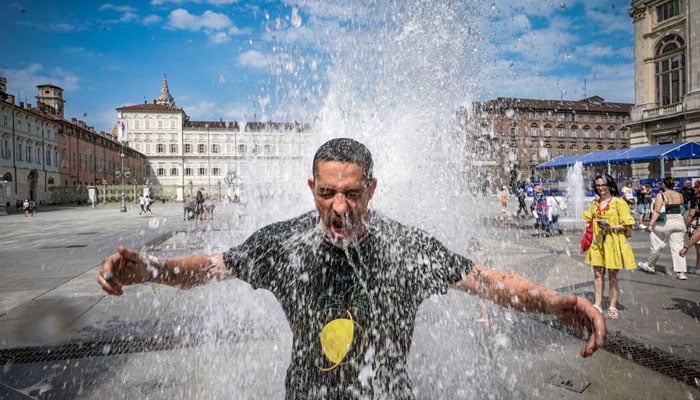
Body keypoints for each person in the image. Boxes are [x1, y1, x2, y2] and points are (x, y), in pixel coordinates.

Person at [97, 138, 605, 399]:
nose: (340, 207)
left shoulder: (404, 247)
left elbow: (485, 279)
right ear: (312, 189)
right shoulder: (285, 244)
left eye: (353, 193)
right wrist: (154, 269)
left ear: (372, 190)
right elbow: (210, 267)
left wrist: (550, 303)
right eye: (328, 193)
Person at [582, 174, 636, 319]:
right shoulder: (595, 203)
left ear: (610, 185)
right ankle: (598, 304)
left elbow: (629, 224)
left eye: (603, 185)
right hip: (598, 242)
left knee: (613, 275)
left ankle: (612, 305)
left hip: (613, 242)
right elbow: (588, 219)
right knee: (598, 274)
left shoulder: (618, 202)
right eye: (598, 185)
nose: (600, 188)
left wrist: (611, 226)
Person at [637, 177, 688, 280]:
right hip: (679, 220)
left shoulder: (661, 195)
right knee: (678, 246)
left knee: (657, 243)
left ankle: (650, 265)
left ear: (664, 184)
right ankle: (681, 272)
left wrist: (651, 224)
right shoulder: (680, 195)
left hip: (667, 222)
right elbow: (683, 207)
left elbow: (657, 211)